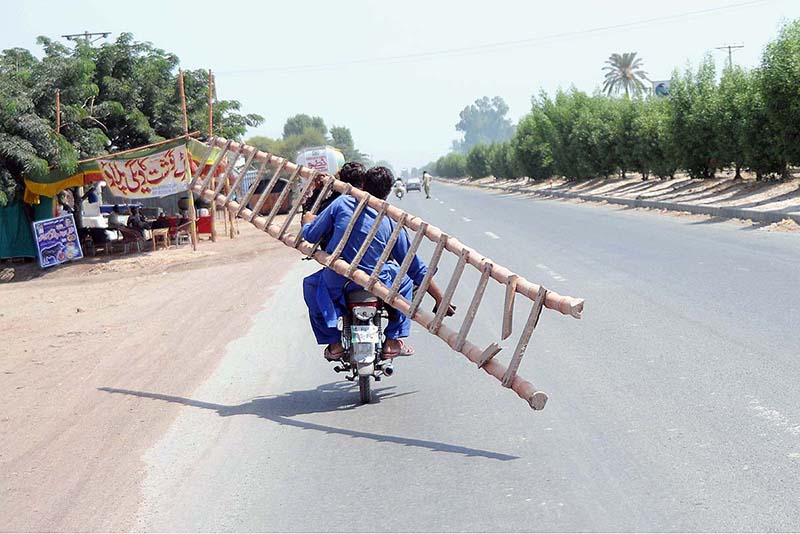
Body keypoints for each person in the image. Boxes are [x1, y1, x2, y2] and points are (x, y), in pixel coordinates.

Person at [301, 166, 455, 361]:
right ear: (389, 191)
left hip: (339, 280)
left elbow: (311, 235)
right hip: (378, 282)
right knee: (405, 280)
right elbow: (412, 265)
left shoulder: (341, 204)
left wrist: (307, 221)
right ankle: (392, 340)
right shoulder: (391, 219)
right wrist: (440, 298)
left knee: (311, 285)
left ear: (363, 185)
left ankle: (334, 343)